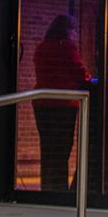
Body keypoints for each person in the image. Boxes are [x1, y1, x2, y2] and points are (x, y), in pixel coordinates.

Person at [30, 14, 91, 195]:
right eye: (73, 30)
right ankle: (59, 190)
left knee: (47, 148)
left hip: (41, 103)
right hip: (63, 104)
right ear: (67, 30)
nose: (74, 34)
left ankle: (46, 188)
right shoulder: (67, 47)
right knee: (62, 149)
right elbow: (80, 72)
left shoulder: (41, 47)